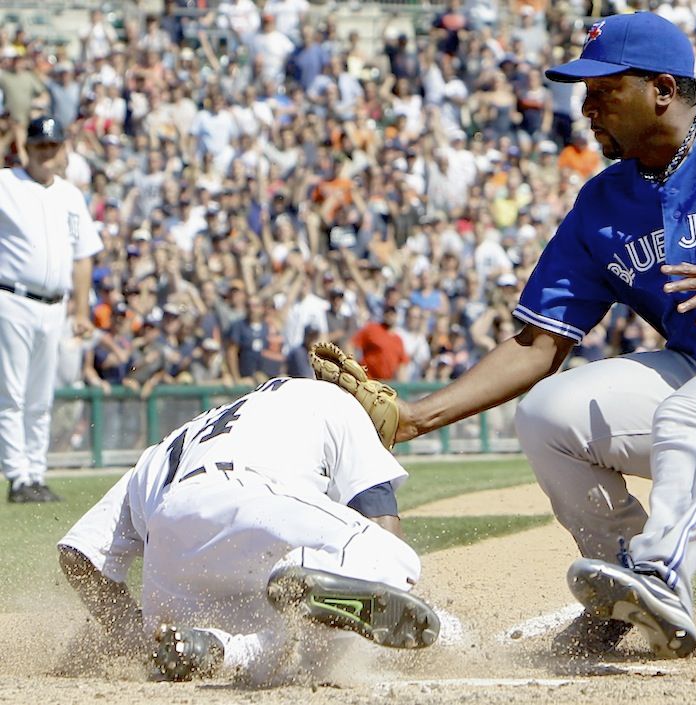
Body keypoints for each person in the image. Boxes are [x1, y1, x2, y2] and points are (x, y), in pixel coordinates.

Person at [387, 13, 696, 659]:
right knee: (545, 414)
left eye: (604, 89)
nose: (587, 106)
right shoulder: (603, 201)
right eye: (584, 91)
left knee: (693, 412)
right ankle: (618, 591)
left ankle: (662, 577)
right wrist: (421, 415)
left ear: (662, 89)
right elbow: (539, 345)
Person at [57, 377, 440, 685]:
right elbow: (382, 525)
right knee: (392, 561)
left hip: (170, 560)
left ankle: (223, 649)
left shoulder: (180, 437)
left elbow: (78, 554)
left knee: (311, 643)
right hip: (247, 498)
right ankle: (285, 600)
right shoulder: (336, 401)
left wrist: (135, 641)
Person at [0, 116, 102, 503]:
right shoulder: (7, 183)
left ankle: (36, 473)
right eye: (39, 145)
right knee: (12, 392)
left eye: (52, 145)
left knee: (41, 396)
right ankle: (18, 476)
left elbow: (82, 258)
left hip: (54, 305)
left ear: (62, 149)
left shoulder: (70, 195)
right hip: (12, 298)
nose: (46, 152)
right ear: (27, 147)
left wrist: (80, 311)